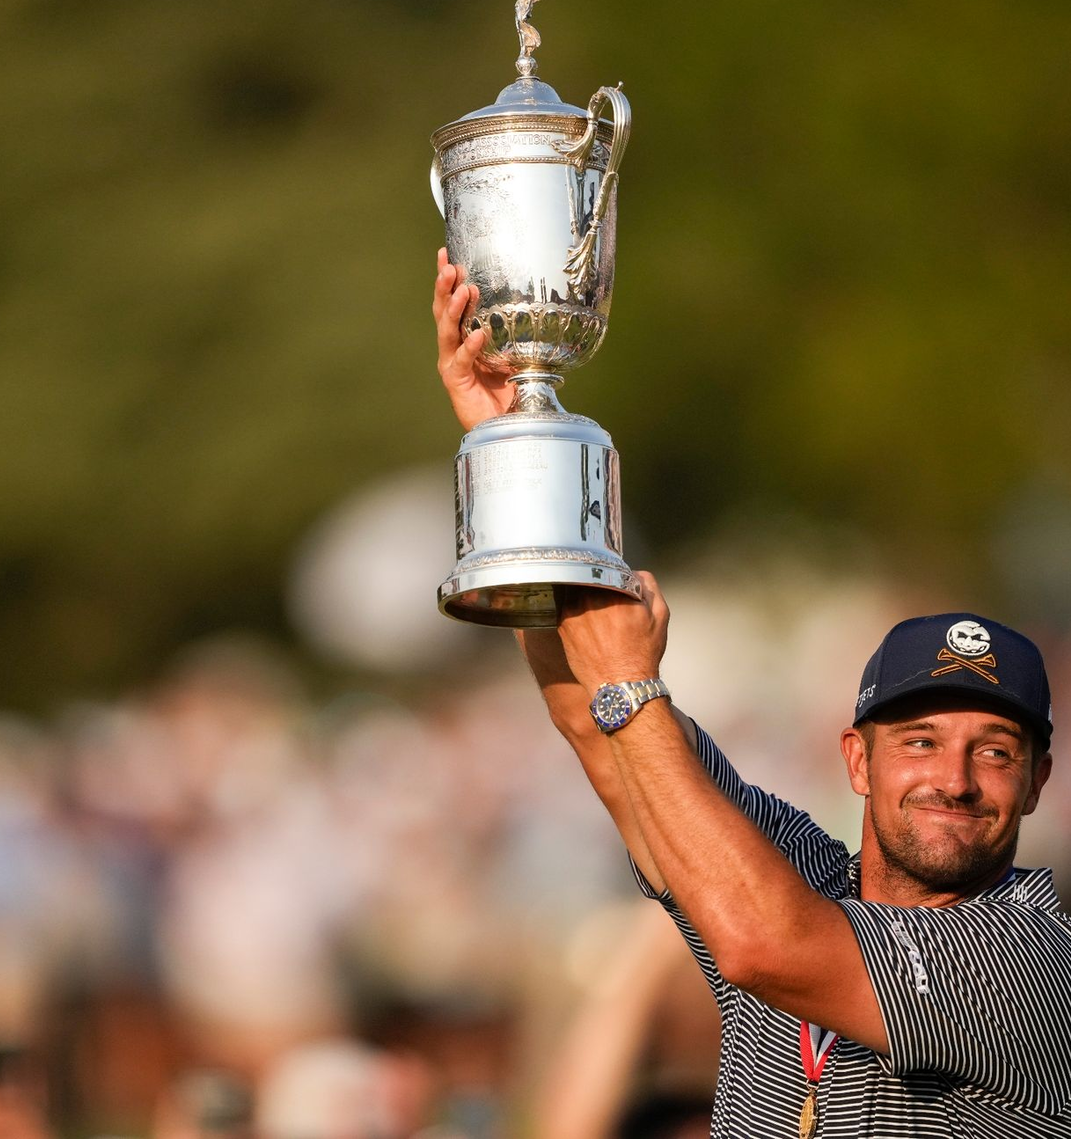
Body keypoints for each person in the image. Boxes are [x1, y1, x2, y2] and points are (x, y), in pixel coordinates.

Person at [433, 251, 1071, 1136]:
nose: (954, 778)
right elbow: (598, 726)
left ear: (1038, 781)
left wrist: (632, 682)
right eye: (920, 740)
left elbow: (762, 942)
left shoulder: (1036, 963)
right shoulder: (798, 877)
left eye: (995, 752)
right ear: (857, 757)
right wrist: (519, 453)